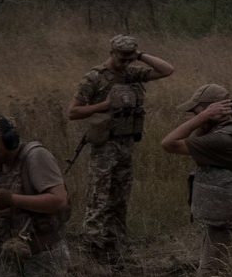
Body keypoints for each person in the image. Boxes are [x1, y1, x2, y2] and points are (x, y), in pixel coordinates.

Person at [65, 35, 175, 264]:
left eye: (129, 58)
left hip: (126, 144)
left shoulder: (131, 73)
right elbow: (73, 112)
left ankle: (117, 247)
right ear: (111, 53)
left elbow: (167, 70)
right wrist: (103, 105)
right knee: (99, 198)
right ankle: (93, 249)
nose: (125, 63)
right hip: (105, 145)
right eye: (121, 58)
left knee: (120, 199)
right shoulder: (95, 77)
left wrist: (140, 56)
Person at [161, 84, 232, 277]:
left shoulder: (220, 141)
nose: (192, 117)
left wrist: (202, 117)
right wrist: (205, 119)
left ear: (209, 110)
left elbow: (168, 144)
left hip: (226, 232)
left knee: (212, 274)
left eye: (195, 112)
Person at [0, 114, 71, 277]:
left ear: (10, 140)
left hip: (39, 256)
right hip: (3, 257)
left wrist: (12, 199)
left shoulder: (36, 157)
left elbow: (58, 200)